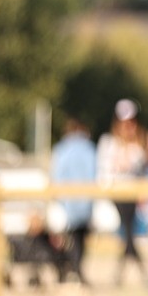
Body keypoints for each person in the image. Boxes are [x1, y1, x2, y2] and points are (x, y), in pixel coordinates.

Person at [97, 98, 147, 285]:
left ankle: (121, 272)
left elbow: (137, 168)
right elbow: (105, 170)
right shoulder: (108, 143)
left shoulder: (139, 144)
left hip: (132, 194)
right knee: (128, 232)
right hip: (117, 194)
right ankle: (141, 269)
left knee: (128, 232)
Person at [50, 116, 97, 285]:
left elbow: (57, 174)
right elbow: (93, 175)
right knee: (80, 240)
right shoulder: (89, 149)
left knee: (66, 240)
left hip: (67, 202)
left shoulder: (61, 149)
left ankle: (72, 270)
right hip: (84, 202)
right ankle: (76, 270)